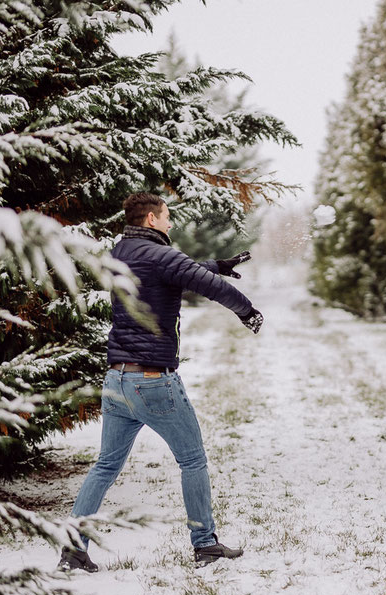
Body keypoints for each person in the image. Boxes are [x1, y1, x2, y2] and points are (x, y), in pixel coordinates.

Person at [58, 192, 264, 572]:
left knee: (105, 466)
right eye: (167, 217)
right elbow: (207, 286)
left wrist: (215, 264)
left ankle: (73, 550)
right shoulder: (161, 255)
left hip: (116, 380)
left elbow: (167, 273)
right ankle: (205, 545)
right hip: (153, 380)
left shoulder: (122, 251)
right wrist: (248, 312)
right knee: (193, 460)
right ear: (152, 219)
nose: (171, 223)